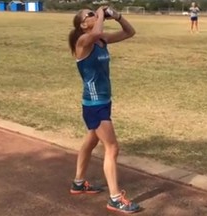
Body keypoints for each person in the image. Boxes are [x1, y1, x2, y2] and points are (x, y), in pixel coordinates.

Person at [68, 6, 141, 214]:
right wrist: (101, 11)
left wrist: (117, 16)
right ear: (83, 24)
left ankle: (78, 183)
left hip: (103, 100)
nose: (95, 16)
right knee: (112, 147)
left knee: (91, 141)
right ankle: (115, 198)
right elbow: (97, 32)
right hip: (94, 103)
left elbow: (130, 32)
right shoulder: (83, 41)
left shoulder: (101, 40)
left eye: (94, 13)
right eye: (89, 15)